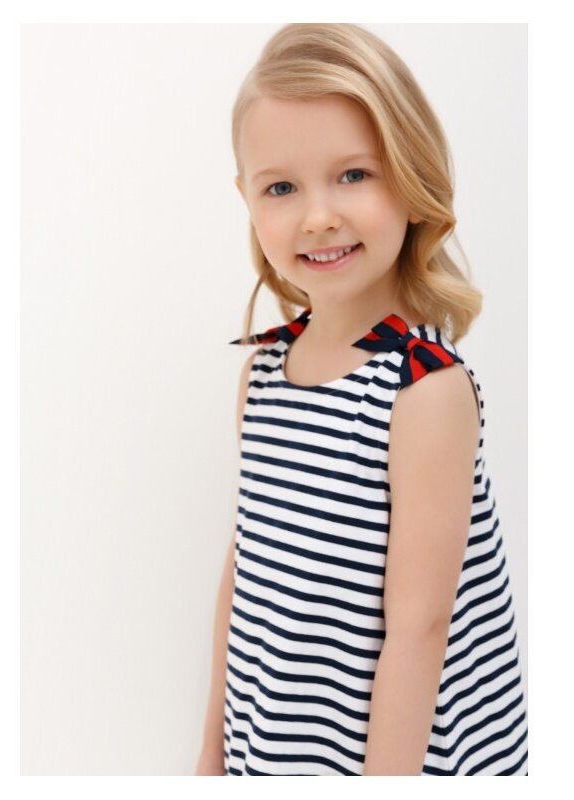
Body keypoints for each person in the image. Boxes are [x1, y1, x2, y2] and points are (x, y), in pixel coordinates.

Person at [195, 23, 528, 776]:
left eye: (353, 174)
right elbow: (246, 571)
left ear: (410, 175)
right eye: (281, 187)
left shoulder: (423, 390)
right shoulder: (265, 373)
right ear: (247, 200)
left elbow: (419, 631)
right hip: (278, 749)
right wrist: (213, 751)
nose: (318, 216)